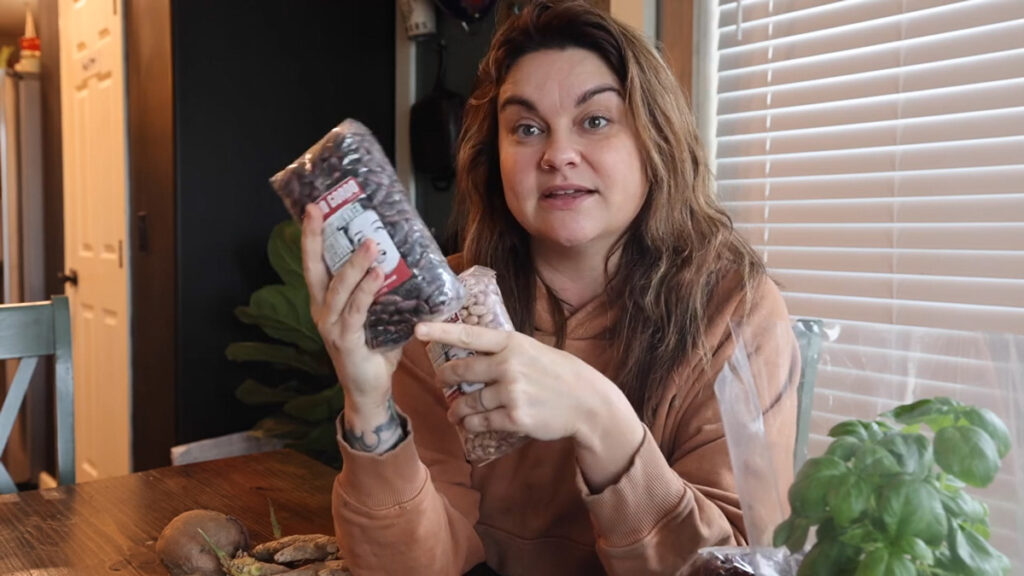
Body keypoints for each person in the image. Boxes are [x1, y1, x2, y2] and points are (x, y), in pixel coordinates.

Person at [300, 1, 798, 574]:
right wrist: (369, 407)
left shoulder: (734, 311)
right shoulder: (445, 306)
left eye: (595, 120)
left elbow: (736, 564)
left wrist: (599, 418)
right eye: (528, 128)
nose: (558, 155)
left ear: (653, 140)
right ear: (498, 159)